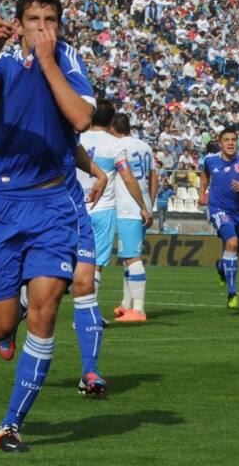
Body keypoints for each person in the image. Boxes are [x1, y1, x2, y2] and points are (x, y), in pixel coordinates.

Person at [0, 0, 94, 453]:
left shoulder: (69, 60)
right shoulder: (1, 61)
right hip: (1, 204)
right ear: (19, 24)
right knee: (0, 328)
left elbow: (80, 118)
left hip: (53, 207)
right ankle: (3, 303)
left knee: (47, 312)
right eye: (35, 20)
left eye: (51, 20)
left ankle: (11, 424)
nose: (44, 28)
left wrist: (48, 62)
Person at [78, 103, 152, 323]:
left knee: (76, 263)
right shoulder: (114, 144)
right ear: (111, 122)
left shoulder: (77, 139)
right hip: (102, 209)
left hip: (75, 208)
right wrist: (142, 205)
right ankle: (87, 315)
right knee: (96, 264)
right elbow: (127, 176)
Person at [198, 128, 239, 309]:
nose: (231, 143)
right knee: (232, 242)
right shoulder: (210, 160)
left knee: (234, 249)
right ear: (220, 142)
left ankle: (221, 267)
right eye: (226, 139)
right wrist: (202, 194)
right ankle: (232, 293)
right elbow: (204, 176)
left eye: (234, 139)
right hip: (218, 209)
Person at [109, 113, 156, 321]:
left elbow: (126, 177)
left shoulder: (119, 147)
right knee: (129, 257)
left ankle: (138, 309)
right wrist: (149, 204)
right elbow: (155, 176)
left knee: (132, 258)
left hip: (129, 207)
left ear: (113, 129)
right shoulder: (145, 146)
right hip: (142, 206)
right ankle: (126, 304)